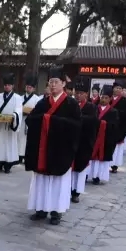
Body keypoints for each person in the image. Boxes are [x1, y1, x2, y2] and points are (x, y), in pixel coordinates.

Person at [25, 66, 81, 225]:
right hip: (43, 148)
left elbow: (76, 126)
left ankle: (56, 211)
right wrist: (44, 120)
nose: (53, 85)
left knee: (58, 181)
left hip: (60, 149)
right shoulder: (43, 102)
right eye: (51, 82)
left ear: (63, 84)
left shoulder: (71, 104)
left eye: (56, 82)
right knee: (42, 180)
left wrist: (52, 121)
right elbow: (31, 120)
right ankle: (40, 208)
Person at [71, 76, 98, 203]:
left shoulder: (91, 107)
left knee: (80, 167)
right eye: (76, 93)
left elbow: (93, 122)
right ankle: (68, 189)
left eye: (81, 93)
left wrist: (79, 118)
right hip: (71, 141)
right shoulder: (70, 104)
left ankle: (76, 192)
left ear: (86, 94)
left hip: (84, 141)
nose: (78, 96)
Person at [0, 73, 23, 173]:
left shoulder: (17, 98)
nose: (7, 86)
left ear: (12, 86)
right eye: (5, 85)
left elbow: (19, 110)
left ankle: (8, 165)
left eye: (9, 85)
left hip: (10, 124)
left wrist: (13, 116)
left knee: (9, 144)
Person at [90, 85, 120, 185]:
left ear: (110, 99)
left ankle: (99, 176)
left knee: (102, 159)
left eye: (106, 98)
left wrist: (103, 124)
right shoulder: (94, 108)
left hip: (105, 138)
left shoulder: (113, 111)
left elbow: (114, 126)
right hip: (94, 136)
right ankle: (91, 175)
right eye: (102, 97)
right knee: (92, 157)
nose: (103, 99)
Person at [109, 80, 126, 174]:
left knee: (117, 149)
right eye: (116, 88)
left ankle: (114, 165)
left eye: (120, 88)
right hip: (108, 128)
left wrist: (124, 131)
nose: (118, 90)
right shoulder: (108, 99)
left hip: (120, 128)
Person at [17, 74, 41, 164]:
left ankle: (26, 156)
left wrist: (30, 112)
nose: (28, 89)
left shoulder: (37, 99)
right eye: (27, 87)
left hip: (30, 121)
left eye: (30, 87)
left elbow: (38, 110)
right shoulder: (20, 98)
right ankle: (19, 156)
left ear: (34, 89)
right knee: (19, 139)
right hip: (21, 120)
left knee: (28, 140)